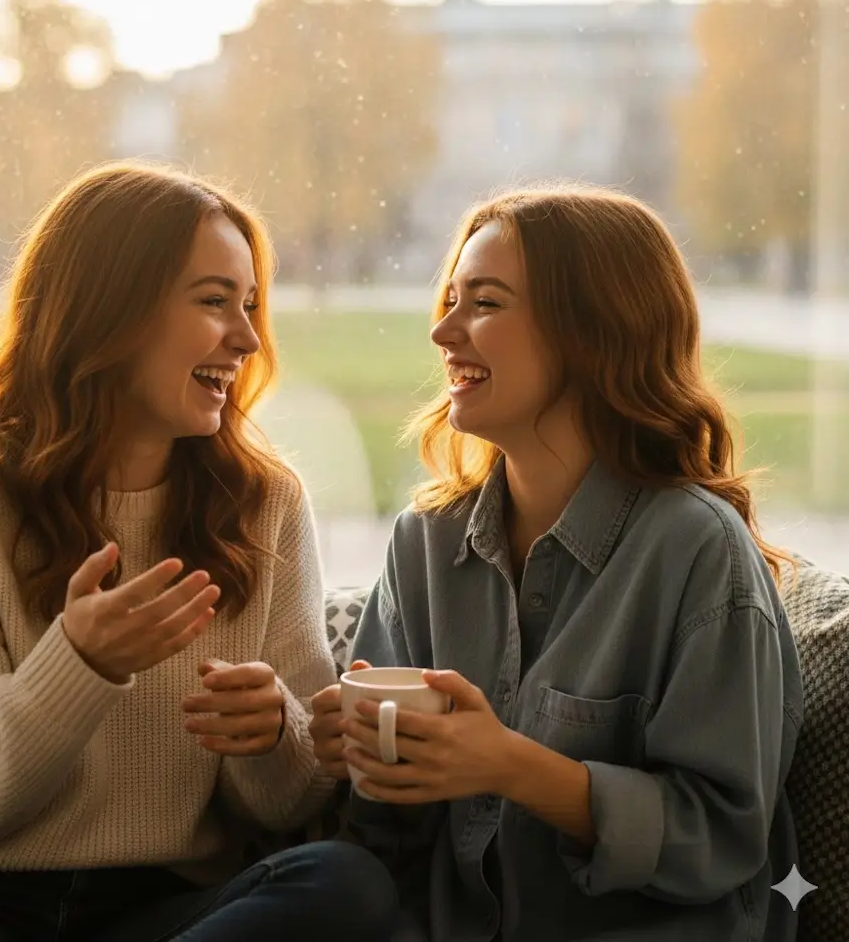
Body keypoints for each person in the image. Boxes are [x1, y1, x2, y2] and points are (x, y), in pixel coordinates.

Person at [0, 163, 397, 942]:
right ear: (106, 311)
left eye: (248, 305)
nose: (246, 338)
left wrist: (275, 731)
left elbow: (288, 805)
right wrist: (78, 663)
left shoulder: (267, 504)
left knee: (348, 886)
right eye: (214, 301)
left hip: (159, 906)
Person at [310, 186, 803, 942]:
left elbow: (724, 845)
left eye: (486, 303)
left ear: (592, 334)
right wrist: (354, 757)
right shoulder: (424, 546)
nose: (443, 330)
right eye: (450, 299)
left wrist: (511, 766)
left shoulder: (699, 555)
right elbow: (387, 838)